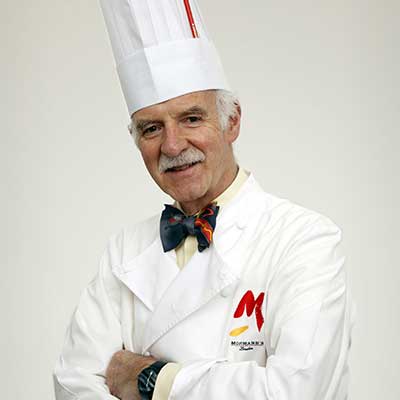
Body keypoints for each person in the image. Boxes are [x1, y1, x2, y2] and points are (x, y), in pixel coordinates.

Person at [53, 1, 354, 399]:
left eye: (191, 119)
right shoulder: (124, 249)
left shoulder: (304, 240)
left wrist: (151, 379)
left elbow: (297, 390)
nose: (173, 145)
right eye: (151, 128)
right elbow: (72, 383)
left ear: (232, 121)